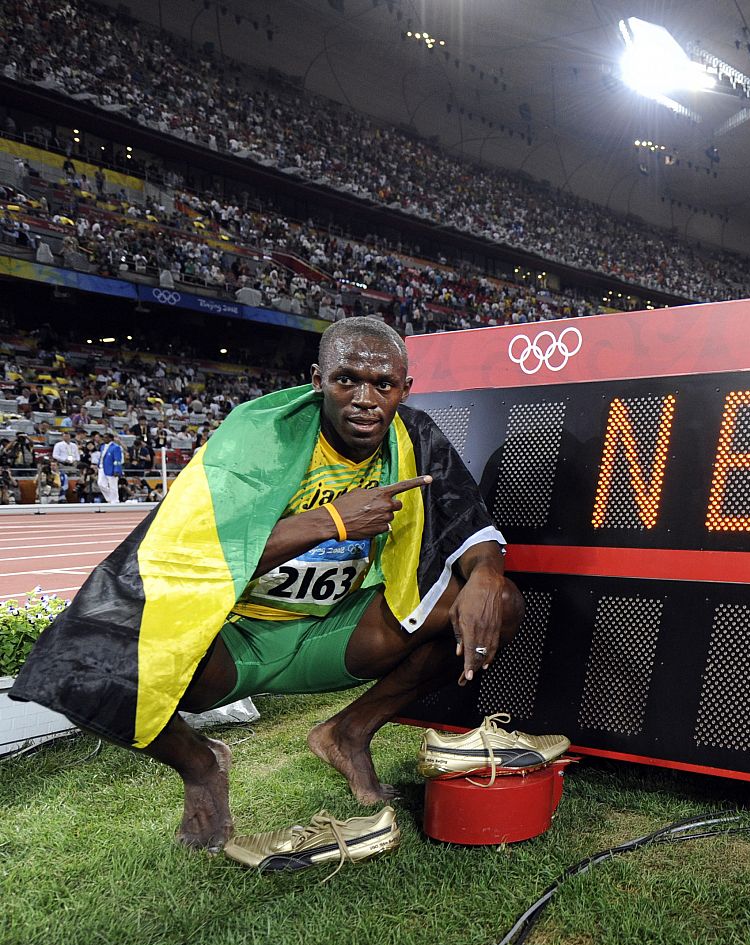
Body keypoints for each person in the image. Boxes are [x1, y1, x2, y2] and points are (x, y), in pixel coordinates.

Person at [12, 317, 522, 851]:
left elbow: (468, 520)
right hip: (235, 638)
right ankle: (201, 763)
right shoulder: (257, 434)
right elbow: (196, 551)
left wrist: (486, 572)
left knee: (500, 600)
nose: (366, 399)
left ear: (405, 389)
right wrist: (334, 521)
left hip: (338, 628)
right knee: (80, 670)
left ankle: (347, 734)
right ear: (316, 379)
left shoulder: (415, 434)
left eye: (384, 384)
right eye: (347, 379)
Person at [97, 432, 124, 504]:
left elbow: (117, 459)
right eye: (104, 437)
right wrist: (98, 464)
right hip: (102, 467)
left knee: (113, 485)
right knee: (100, 484)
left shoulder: (116, 447)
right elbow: (102, 456)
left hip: (111, 468)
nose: (104, 439)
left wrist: (117, 469)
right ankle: (109, 498)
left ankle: (115, 501)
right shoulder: (102, 446)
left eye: (106, 437)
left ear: (111, 439)